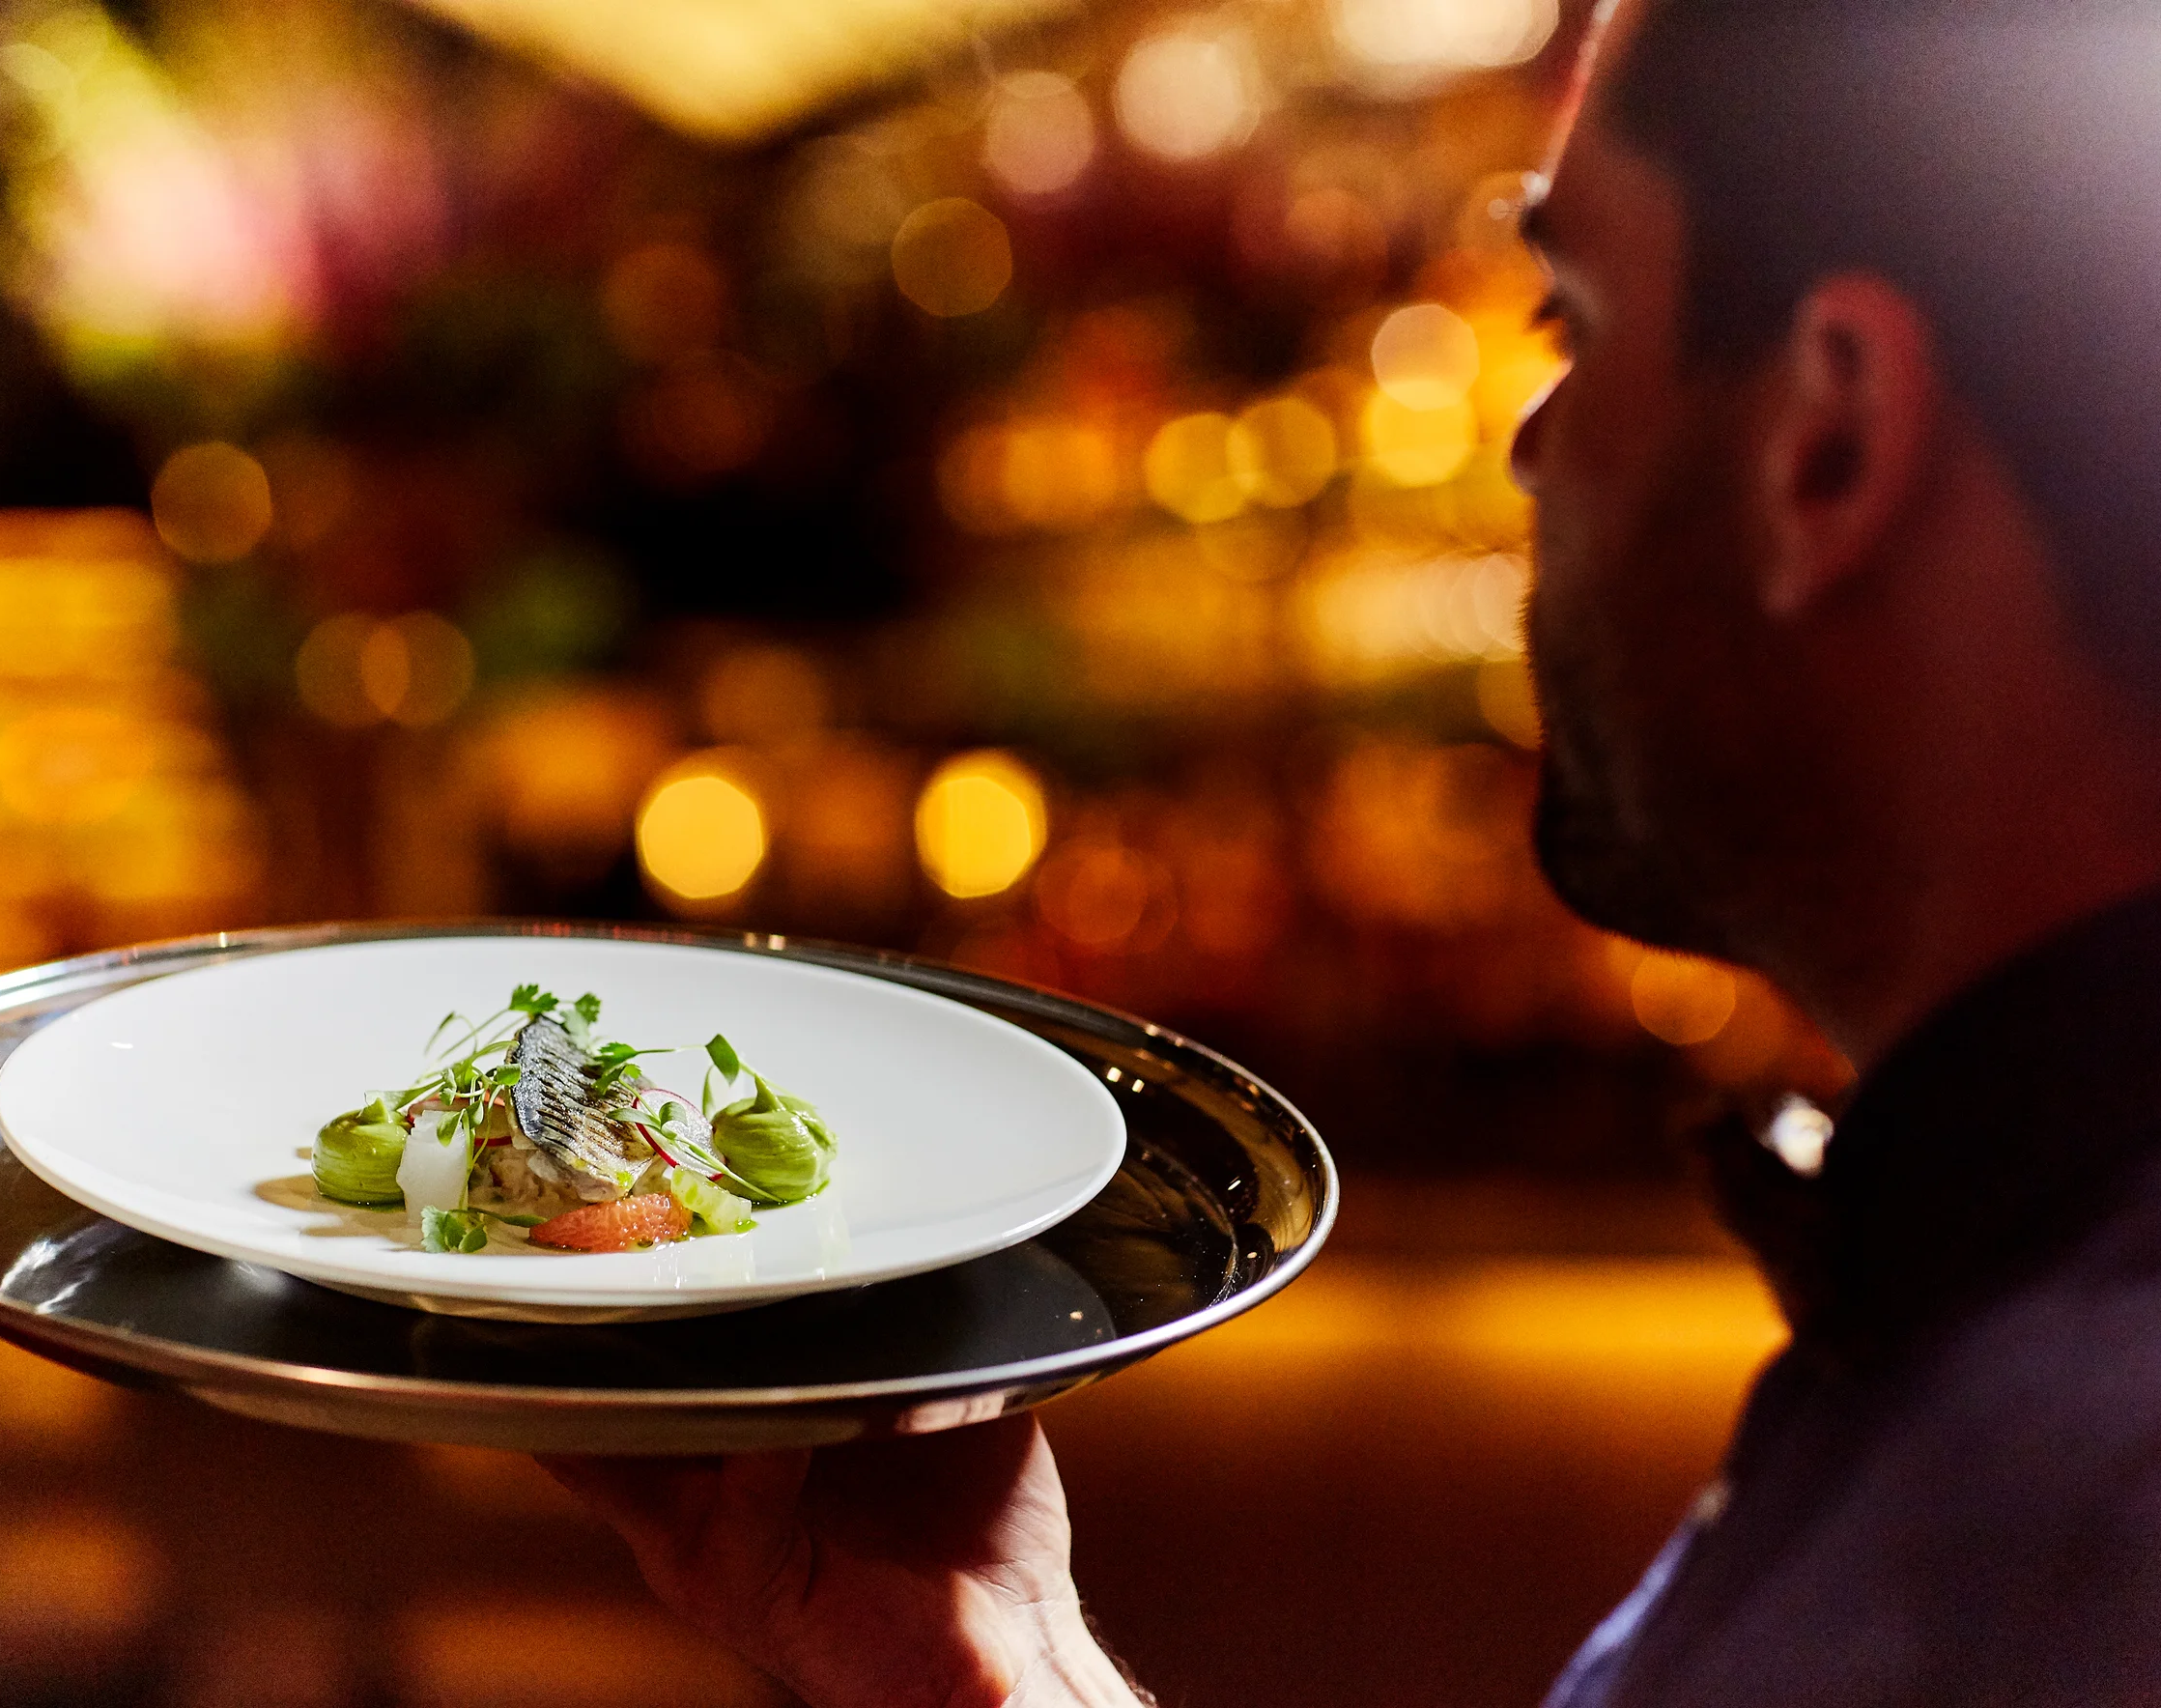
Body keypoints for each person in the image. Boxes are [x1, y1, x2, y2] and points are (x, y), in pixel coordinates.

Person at [549, 0, 2161, 1699]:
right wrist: (993, 1668)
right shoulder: (1989, 1335)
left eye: (1580, 325)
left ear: (1828, 442)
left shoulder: (2073, 1492)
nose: (1531, 451)